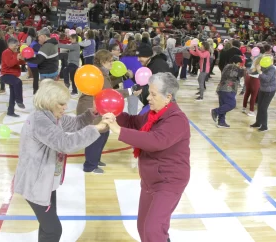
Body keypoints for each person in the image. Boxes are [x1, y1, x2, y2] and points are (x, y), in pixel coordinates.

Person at [14, 80, 107, 242]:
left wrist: (93, 113)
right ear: (50, 101)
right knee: (53, 230)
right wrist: (96, 129)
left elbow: (75, 123)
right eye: (61, 104)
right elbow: (65, 143)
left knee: (47, 227)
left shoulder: (52, 116)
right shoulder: (40, 120)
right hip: (35, 184)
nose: (65, 107)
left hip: (45, 182)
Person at [102, 72, 190, 242]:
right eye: (149, 92)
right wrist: (111, 113)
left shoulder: (177, 120)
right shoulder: (152, 114)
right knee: (143, 227)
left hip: (169, 181)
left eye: (153, 94)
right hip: (150, 179)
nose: (148, 97)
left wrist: (119, 131)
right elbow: (134, 122)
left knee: (153, 229)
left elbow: (155, 141)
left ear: (168, 97)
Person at [76, 49, 140, 174]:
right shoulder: (98, 74)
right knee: (95, 137)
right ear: (103, 61)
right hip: (91, 108)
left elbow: (109, 83)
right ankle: (90, 165)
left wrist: (121, 77)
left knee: (103, 134)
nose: (112, 64)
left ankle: (95, 159)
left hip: (98, 108)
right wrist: (130, 91)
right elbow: (109, 92)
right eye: (110, 61)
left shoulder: (101, 73)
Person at [210, 55, 245, 128]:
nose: (239, 65)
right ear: (234, 62)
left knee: (223, 106)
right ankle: (215, 111)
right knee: (231, 104)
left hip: (222, 88)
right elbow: (235, 74)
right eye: (238, 63)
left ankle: (221, 122)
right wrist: (242, 70)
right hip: (228, 89)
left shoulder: (227, 66)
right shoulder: (232, 67)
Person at [0, 37, 26, 117]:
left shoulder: (15, 52)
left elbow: (20, 62)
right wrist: (17, 58)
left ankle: (10, 111)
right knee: (18, 82)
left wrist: (22, 59)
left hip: (12, 76)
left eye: (17, 45)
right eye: (16, 45)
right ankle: (19, 101)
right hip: (6, 75)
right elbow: (10, 64)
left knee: (13, 94)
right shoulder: (6, 52)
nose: (17, 46)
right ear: (10, 45)